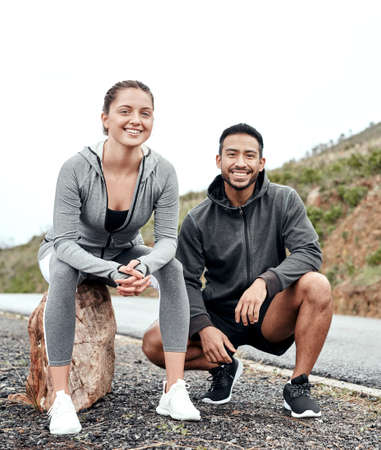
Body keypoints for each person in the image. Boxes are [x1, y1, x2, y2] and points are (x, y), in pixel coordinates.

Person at [38, 80, 200, 435]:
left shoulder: (163, 172)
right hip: (69, 249)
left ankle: (173, 389)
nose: (135, 120)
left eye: (145, 113)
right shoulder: (76, 168)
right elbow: (64, 243)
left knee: (172, 268)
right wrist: (112, 272)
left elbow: (167, 242)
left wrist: (143, 266)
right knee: (65, 267)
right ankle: (61, 398)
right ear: (105, 119)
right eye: (125, 111)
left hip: (125, 250)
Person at [143, 123, 333, 418]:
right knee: (154, 342)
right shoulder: (198, 219)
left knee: (318, 285)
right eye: (232, 154)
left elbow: (309, 252)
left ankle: (297, 385)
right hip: (221, 318)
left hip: (271, 312)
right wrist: (203, 327)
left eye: (249, 155)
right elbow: (186, 282)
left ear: (261, 163)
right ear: (219, 161)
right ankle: (224, 365)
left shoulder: (284, 200)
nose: (240, 163)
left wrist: (265, 282)